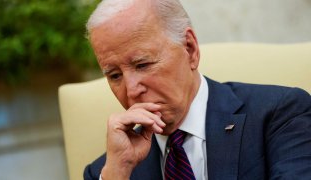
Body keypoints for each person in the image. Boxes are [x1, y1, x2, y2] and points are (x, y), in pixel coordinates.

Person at [83, 0, 311, 179]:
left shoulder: (280, 115)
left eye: (143, 65)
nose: (131, 91)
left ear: (190, 49)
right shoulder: (107, 171)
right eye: (114, 75)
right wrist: (118, 173)